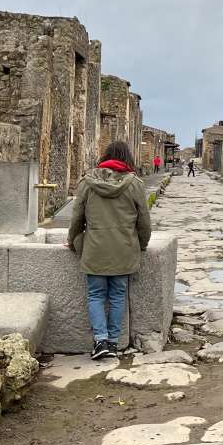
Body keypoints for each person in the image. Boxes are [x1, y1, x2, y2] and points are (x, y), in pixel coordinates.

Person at [68, 141, 152, 360]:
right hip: (124, 248)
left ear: (105, 157)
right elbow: (144, 222)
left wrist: (72, 241)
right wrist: (141, 245)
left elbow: (77, 218)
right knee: (117, 295)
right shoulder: (135, 184)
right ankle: (113, 343)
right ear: (127, 158)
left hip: (95, 248)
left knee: (96, 294)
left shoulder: (87, 182)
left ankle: (100, 341)